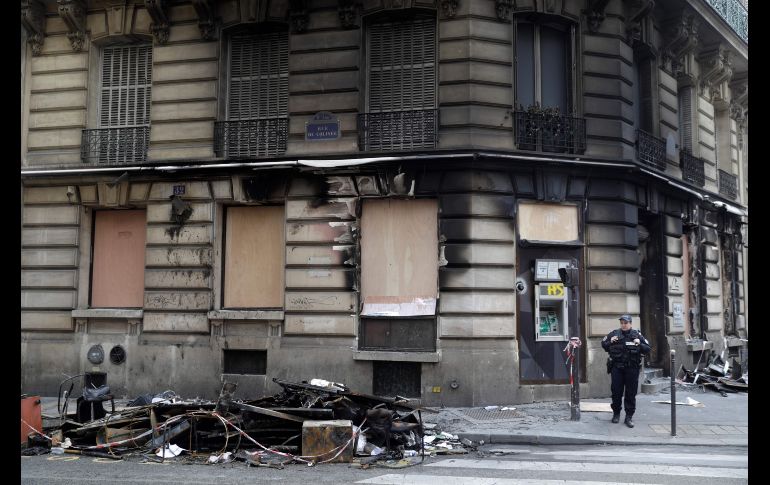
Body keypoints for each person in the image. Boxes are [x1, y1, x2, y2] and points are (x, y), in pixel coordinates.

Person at [601, 314, 651, 428]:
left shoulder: (637, 335)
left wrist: (639, 342)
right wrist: (610, 342)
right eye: (622, 323)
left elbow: (648, 348)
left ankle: (629, 416)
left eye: (626, 323)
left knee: (630, 393)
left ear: (630, 324)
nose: (623, 325)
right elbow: (604, 345)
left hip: (632, 368)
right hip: (617, 368)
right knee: (616, 392)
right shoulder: (614, 334)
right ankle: (616, 414)